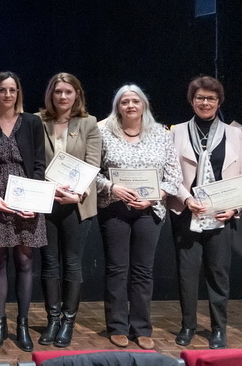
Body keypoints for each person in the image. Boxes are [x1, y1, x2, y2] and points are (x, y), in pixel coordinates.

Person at [167, 76, 242, 350]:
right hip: (186, 211)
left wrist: (235, 206)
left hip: (221, 214)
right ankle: (188, 325)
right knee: (187, 272)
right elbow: (169, 173)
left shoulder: (234, 134)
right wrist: (186, 198)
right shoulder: (177, 132)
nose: (205, 103)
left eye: (211, 98)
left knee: (218, 273)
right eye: (200, 98)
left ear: (219, 102)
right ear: (192, 101)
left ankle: (218, 329)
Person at [95, 84, 181, 350]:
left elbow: (174, 177)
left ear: (144, 104)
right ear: (117, 106)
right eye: (124, 102)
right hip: (114, 208)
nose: (130, 106)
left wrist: (153, 197)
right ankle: (118, 326)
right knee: (117, 269)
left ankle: (142, 328)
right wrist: (112, 187)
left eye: (135, 101)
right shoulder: (102, 132)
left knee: (143, 271)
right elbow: (91, 172)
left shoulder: (161, 134)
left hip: (149, 210)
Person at [0, 72, 47, 352]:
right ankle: (1, 323)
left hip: (27, 196)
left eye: (12, 90)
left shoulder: (32, 122)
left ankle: (23, 325)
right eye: (2, 90)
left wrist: (33, 201)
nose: (7, 95)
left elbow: (39, 163)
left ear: (18, 93)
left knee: (25, 261)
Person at [34, 73, 101, 348]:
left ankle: (68, 322)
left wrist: (75, 193)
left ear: (77, 95)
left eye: (68, 92)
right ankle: (52, 320)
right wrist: (51, 191)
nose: (63, 97)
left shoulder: (89, 123)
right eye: (58, 91)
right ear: (51, 94)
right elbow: (34, 163)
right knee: (49, 263)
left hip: (78, 204)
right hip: (47, 201)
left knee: (72, 262)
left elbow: (93, 164)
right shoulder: (37, 121)